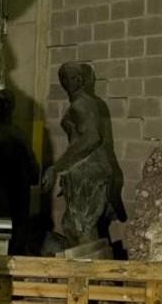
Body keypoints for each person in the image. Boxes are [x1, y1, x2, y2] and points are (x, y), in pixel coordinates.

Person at [42, 62, 127, 247]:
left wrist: (57, 167)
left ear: (81, 80)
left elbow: (91, 138)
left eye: (74, 77)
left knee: (80, 229)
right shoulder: (88, 103)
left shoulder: (82, 104)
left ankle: (94, 273)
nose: (70, 81)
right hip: (86, 171)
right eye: (65, 77)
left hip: (89, 172)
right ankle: (90, 272)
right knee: (76, 228)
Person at [0, 89, 40, 255]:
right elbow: (33, 170)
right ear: (12, 107)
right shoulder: (18, 135)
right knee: (15, 239)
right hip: (16, 198)